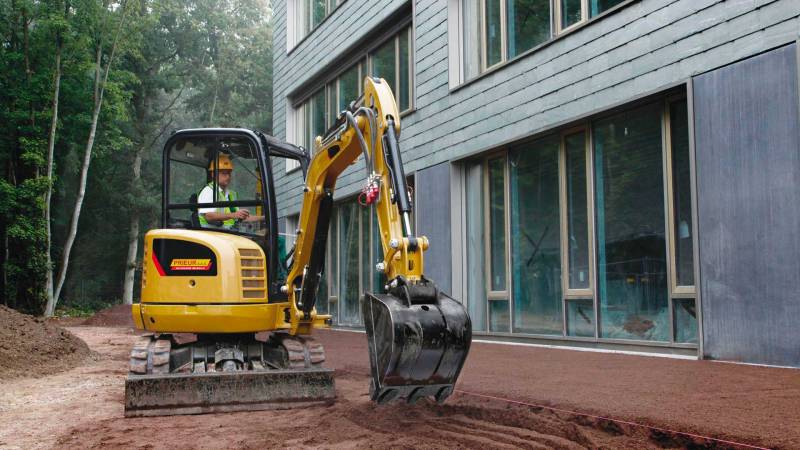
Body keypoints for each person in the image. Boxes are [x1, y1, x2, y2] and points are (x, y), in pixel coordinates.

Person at [198, 154, 253, 229]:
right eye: (224, 173)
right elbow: (209, 216)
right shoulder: (209, 191)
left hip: (227, 231)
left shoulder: (231, 194)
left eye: (229, 173)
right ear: (213, 174)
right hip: (212, 233)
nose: (228, 177)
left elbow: (239, 216)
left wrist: (263, 218)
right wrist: (233, 215)